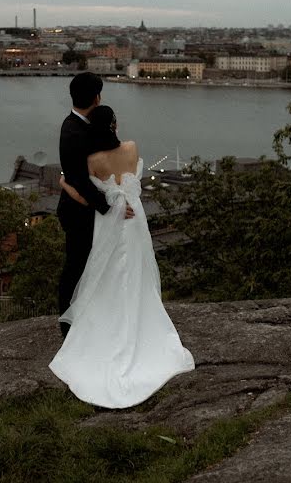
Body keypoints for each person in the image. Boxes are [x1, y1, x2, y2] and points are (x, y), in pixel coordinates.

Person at [49, 105, 195, 409]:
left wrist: (63, 182)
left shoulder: (93, 161)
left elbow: (82, 195)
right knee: (137, 270)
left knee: (107, 271)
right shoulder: (131, 148)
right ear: (114, 125)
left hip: (110, 221)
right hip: (135, 218)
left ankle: (108, 323)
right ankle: (139, 318)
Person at [56, 72, 112, 339]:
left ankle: (84, 319)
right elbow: (80, 181)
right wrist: (109, 207)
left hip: (84, 208)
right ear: (96, 98)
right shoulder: (74, 132)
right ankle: (67, 327)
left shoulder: (79, 126)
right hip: (78, 212)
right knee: (75, 268)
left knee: (90, 267)